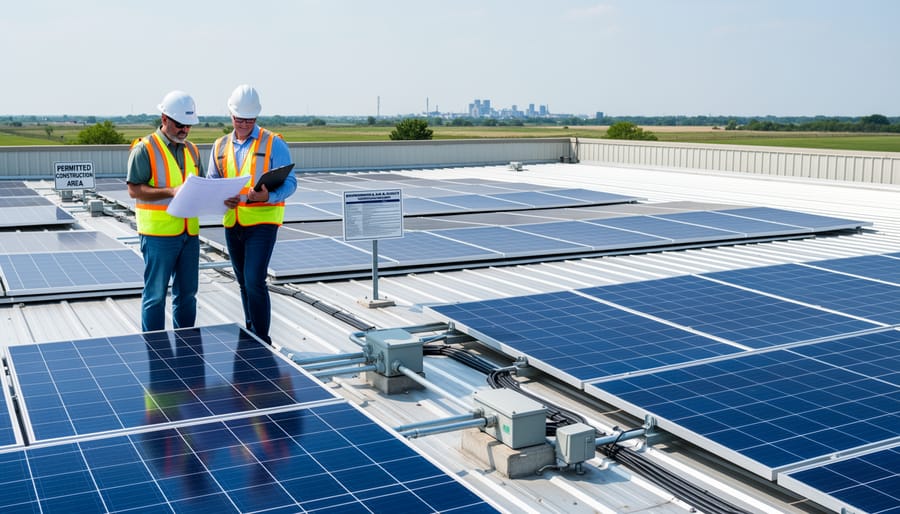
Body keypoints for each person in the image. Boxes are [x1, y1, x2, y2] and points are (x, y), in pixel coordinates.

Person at [208, 85, 297, 344]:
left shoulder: (273, 143)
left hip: (262, 222)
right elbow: (213, 181)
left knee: (254, 280)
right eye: (240, 119)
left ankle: (262, 339)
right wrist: (220, 196)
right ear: (231, 115)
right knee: (243, 283)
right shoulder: (220, 146)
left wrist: (268, 196)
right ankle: (251, 333)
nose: (245, 124)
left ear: (256, 117)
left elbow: (290, 183)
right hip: (232, 222)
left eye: (250, 119)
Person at [127, 90, 204, 332]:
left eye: (188, 126)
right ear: (164, 119)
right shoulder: (145, 148)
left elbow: (197, 185)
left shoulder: (192, 150)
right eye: (180, 124)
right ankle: (155, 350)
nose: (185, 130)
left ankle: (186, 346)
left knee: (187, 294)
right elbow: (134, 190)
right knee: (156, 296)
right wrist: (170, 192)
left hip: (188, 234)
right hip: (158, 236)